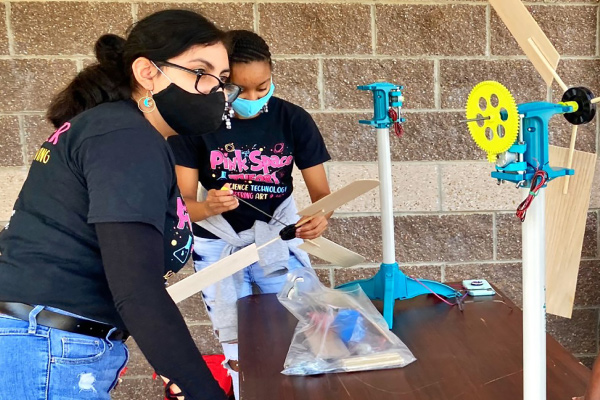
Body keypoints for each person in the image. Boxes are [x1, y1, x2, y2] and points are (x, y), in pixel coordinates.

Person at [0, 9, 241, 400]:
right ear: (148, 72)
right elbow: (137, 288)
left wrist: (173, 364)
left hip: (46, 344)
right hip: (47, 348)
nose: (214, 90)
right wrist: (203, 390)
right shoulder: (127, 136)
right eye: (201, 72)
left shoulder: (113, 129)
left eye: (222, 80)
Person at [167, 29, 332, 399]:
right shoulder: (195, 127)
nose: (253, 99)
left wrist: (321, 218)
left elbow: (322, 195)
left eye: (263, 86)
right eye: (240, 89)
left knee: (299, 331)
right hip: (219, 244)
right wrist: (207, 206)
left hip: (277, 238)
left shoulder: (293, 120)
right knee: (237, 346)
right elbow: (181, 206)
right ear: (220, 82)